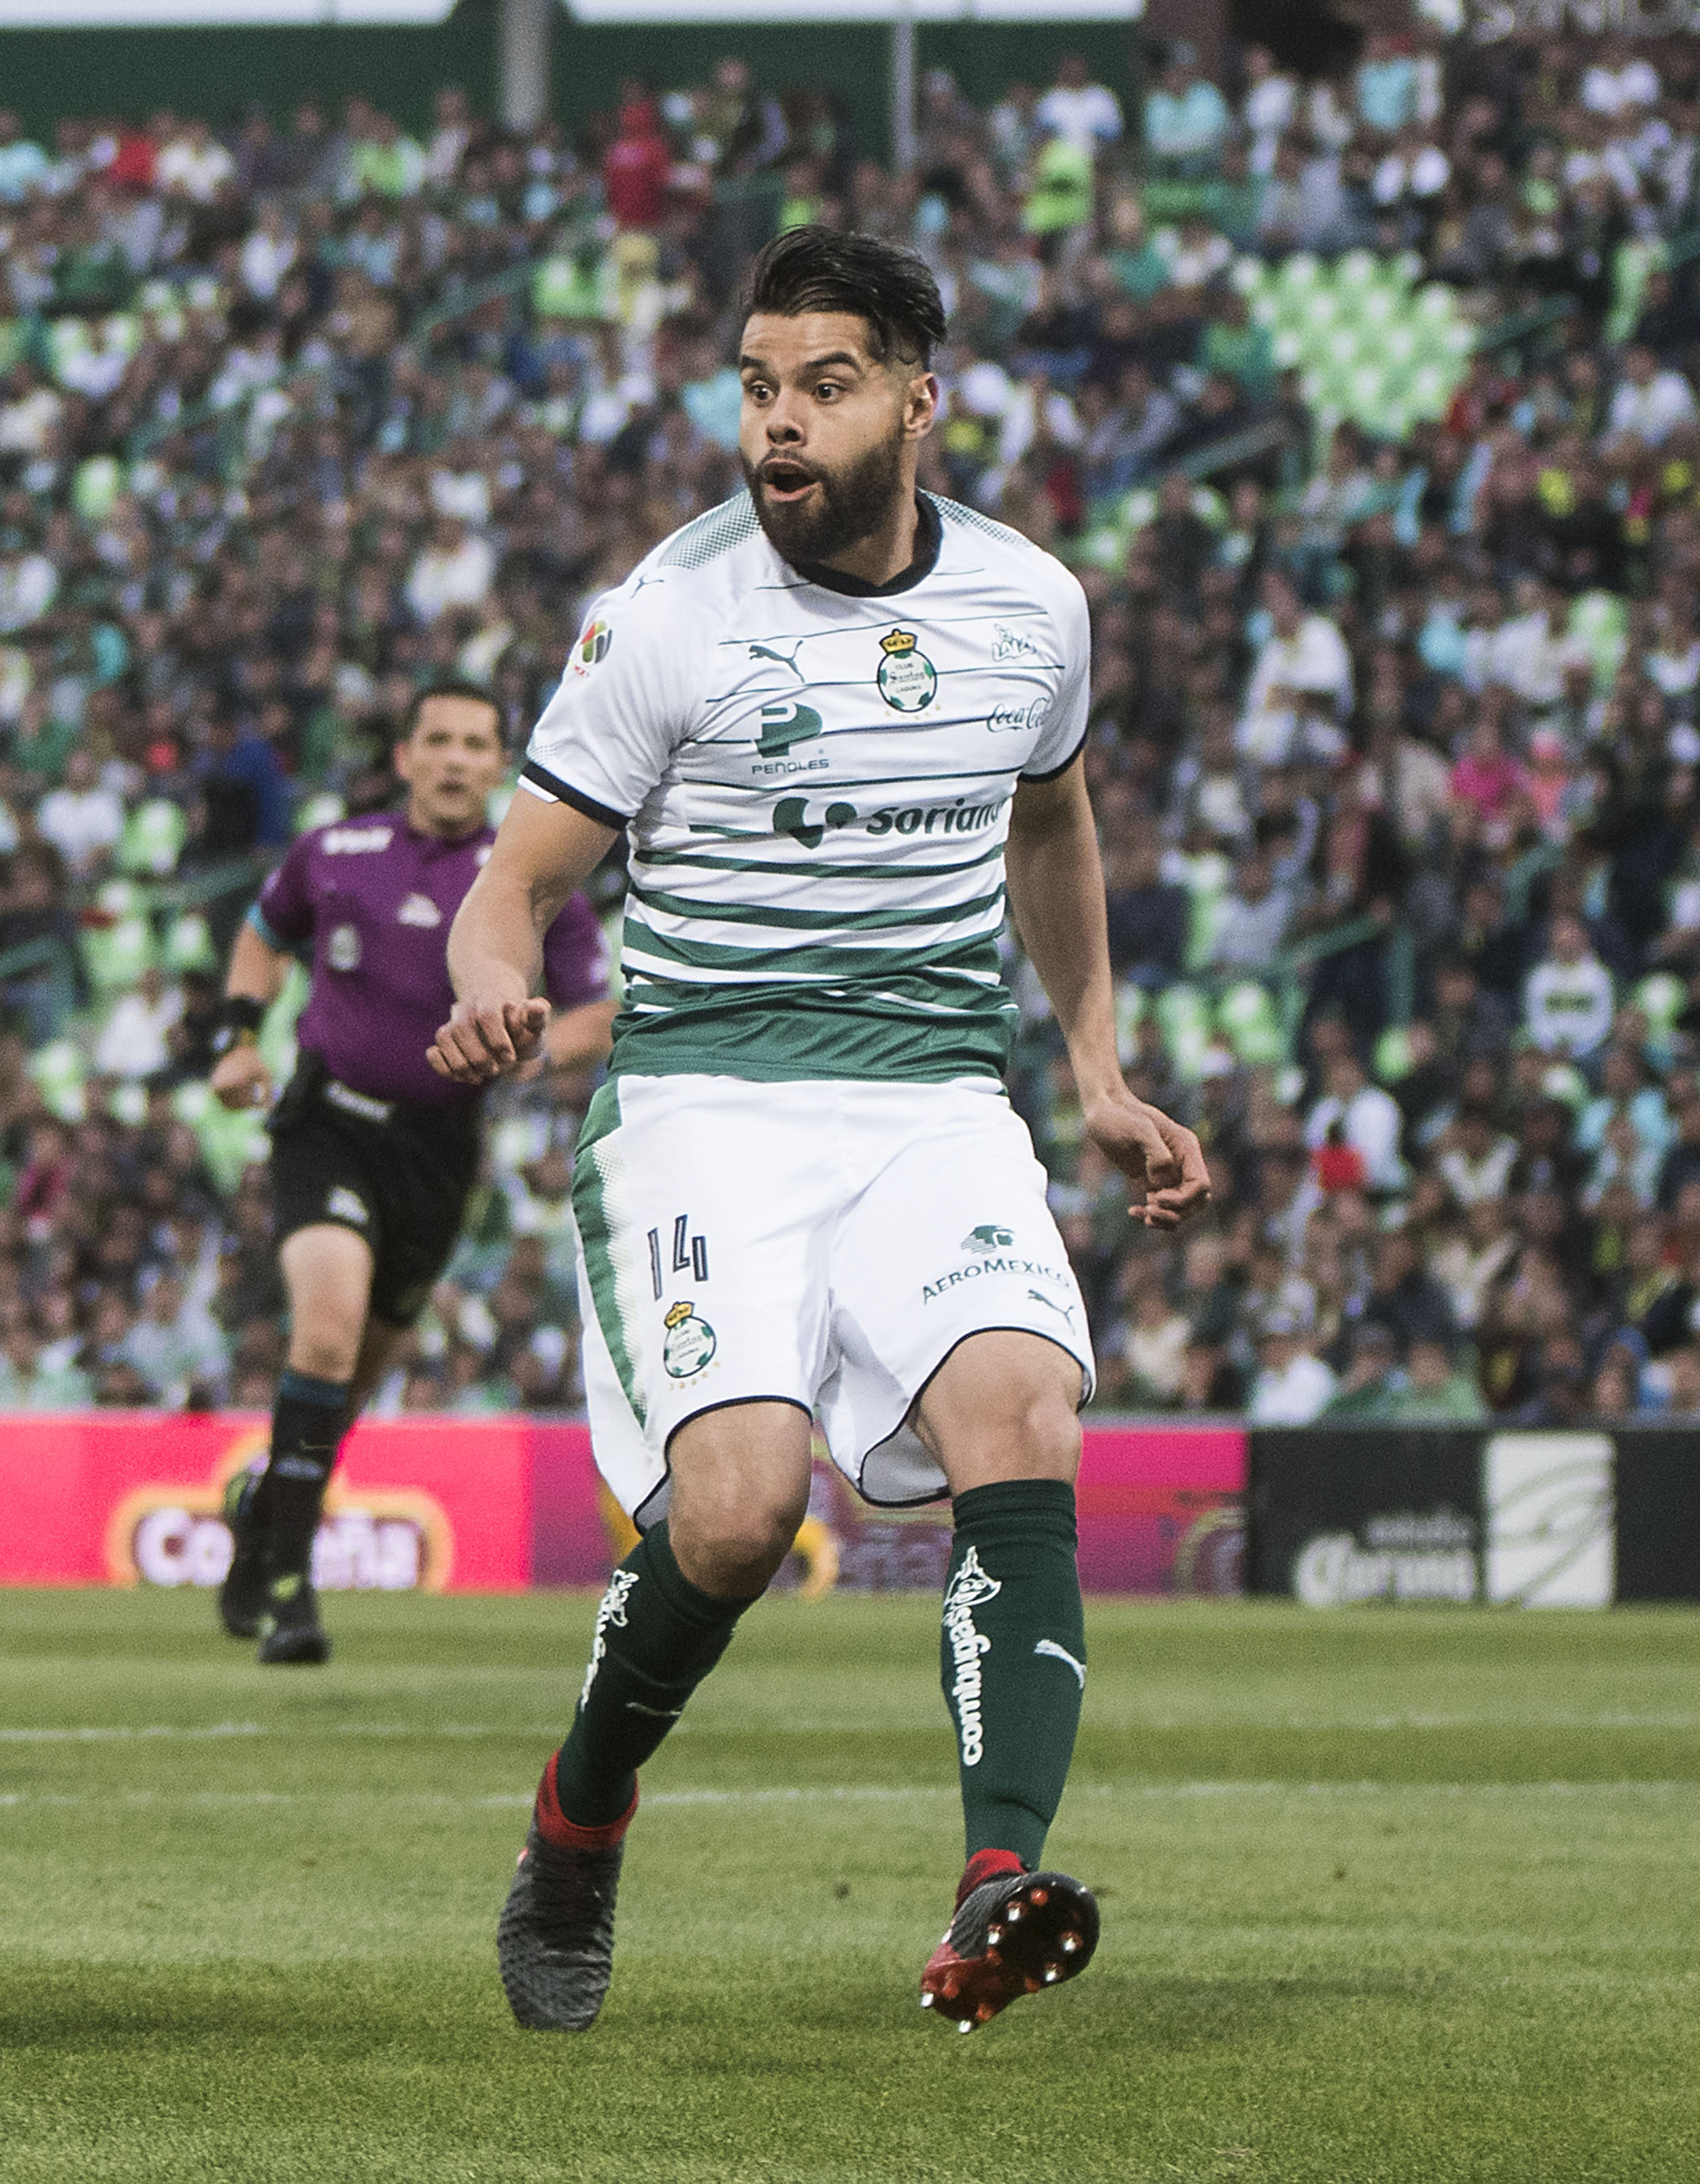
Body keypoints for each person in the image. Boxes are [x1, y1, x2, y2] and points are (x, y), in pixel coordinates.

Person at [432, 226, 1209, 2035]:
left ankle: (992, 1882)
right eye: (756, 385)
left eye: (824, 385)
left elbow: (1053, 826)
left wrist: (1093, 1070)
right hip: (703, 1091)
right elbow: (514, 883)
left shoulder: (1030, 605)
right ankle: (575, 1819)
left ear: (918, 403)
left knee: (1023, 1411)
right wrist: (489, 981)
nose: (776, 424)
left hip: (934, 1088)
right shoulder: (666, 616)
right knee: (735, 1511)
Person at [203, 681, 613, 1662]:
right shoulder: (336, 853)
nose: (456, 758)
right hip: (327, 1125)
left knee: (346, 1389)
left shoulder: (527, 878)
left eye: (477, 742)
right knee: (329, 1334)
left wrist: (530, 1046)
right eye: (438, 739)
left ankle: (263, 1511)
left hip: (439, 1152)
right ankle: (294, 1596)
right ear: (405, 756)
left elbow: (596, 1012)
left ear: (498, 763)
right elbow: (263, 934)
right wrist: (236, 1038)